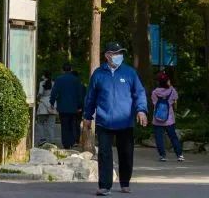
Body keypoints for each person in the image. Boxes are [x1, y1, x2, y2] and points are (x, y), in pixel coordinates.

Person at [82, 41, 148, 196]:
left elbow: (139, 93)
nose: (119, 56)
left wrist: (141, 111)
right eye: (116, 53)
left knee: (126, 153)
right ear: (107, 56)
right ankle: (105, 186)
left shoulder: (129, 73)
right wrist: (87, 116)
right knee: (104, 154)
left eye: (121, 53)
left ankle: (125, 182)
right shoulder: (98, 74)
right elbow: (90, 97)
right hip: (104, 121)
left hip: (125, 121)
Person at [51, 62, 86, 149]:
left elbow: (54, 92)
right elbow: (79, 94)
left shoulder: (59, 79)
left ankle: (65, 143)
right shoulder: (76, 80)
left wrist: (52, 102)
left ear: (62, 70)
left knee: (64, 125)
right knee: (72, 124)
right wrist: (80, 105)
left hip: (62, 106)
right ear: (71, 69)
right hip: (73, 106)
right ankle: (72, 141)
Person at [150, 71, 183, 162]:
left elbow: (154, 103)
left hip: (157, 119)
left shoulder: (155, 92)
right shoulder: (172, 91)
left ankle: (162, 155)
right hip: (169, 119)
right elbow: (175, 98)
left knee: (159, 137)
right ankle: (179, 154)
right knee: (173, 136)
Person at [36, 71, 58, 145]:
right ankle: (52, 141)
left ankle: (42, 139)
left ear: (44, 76)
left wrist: (37, 97)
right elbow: (56, 94)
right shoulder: (54, 83)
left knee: (40, 123)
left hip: (43, 106)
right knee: (51, 125)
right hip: (52, 105)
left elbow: (40, 93)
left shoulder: (42, 83)